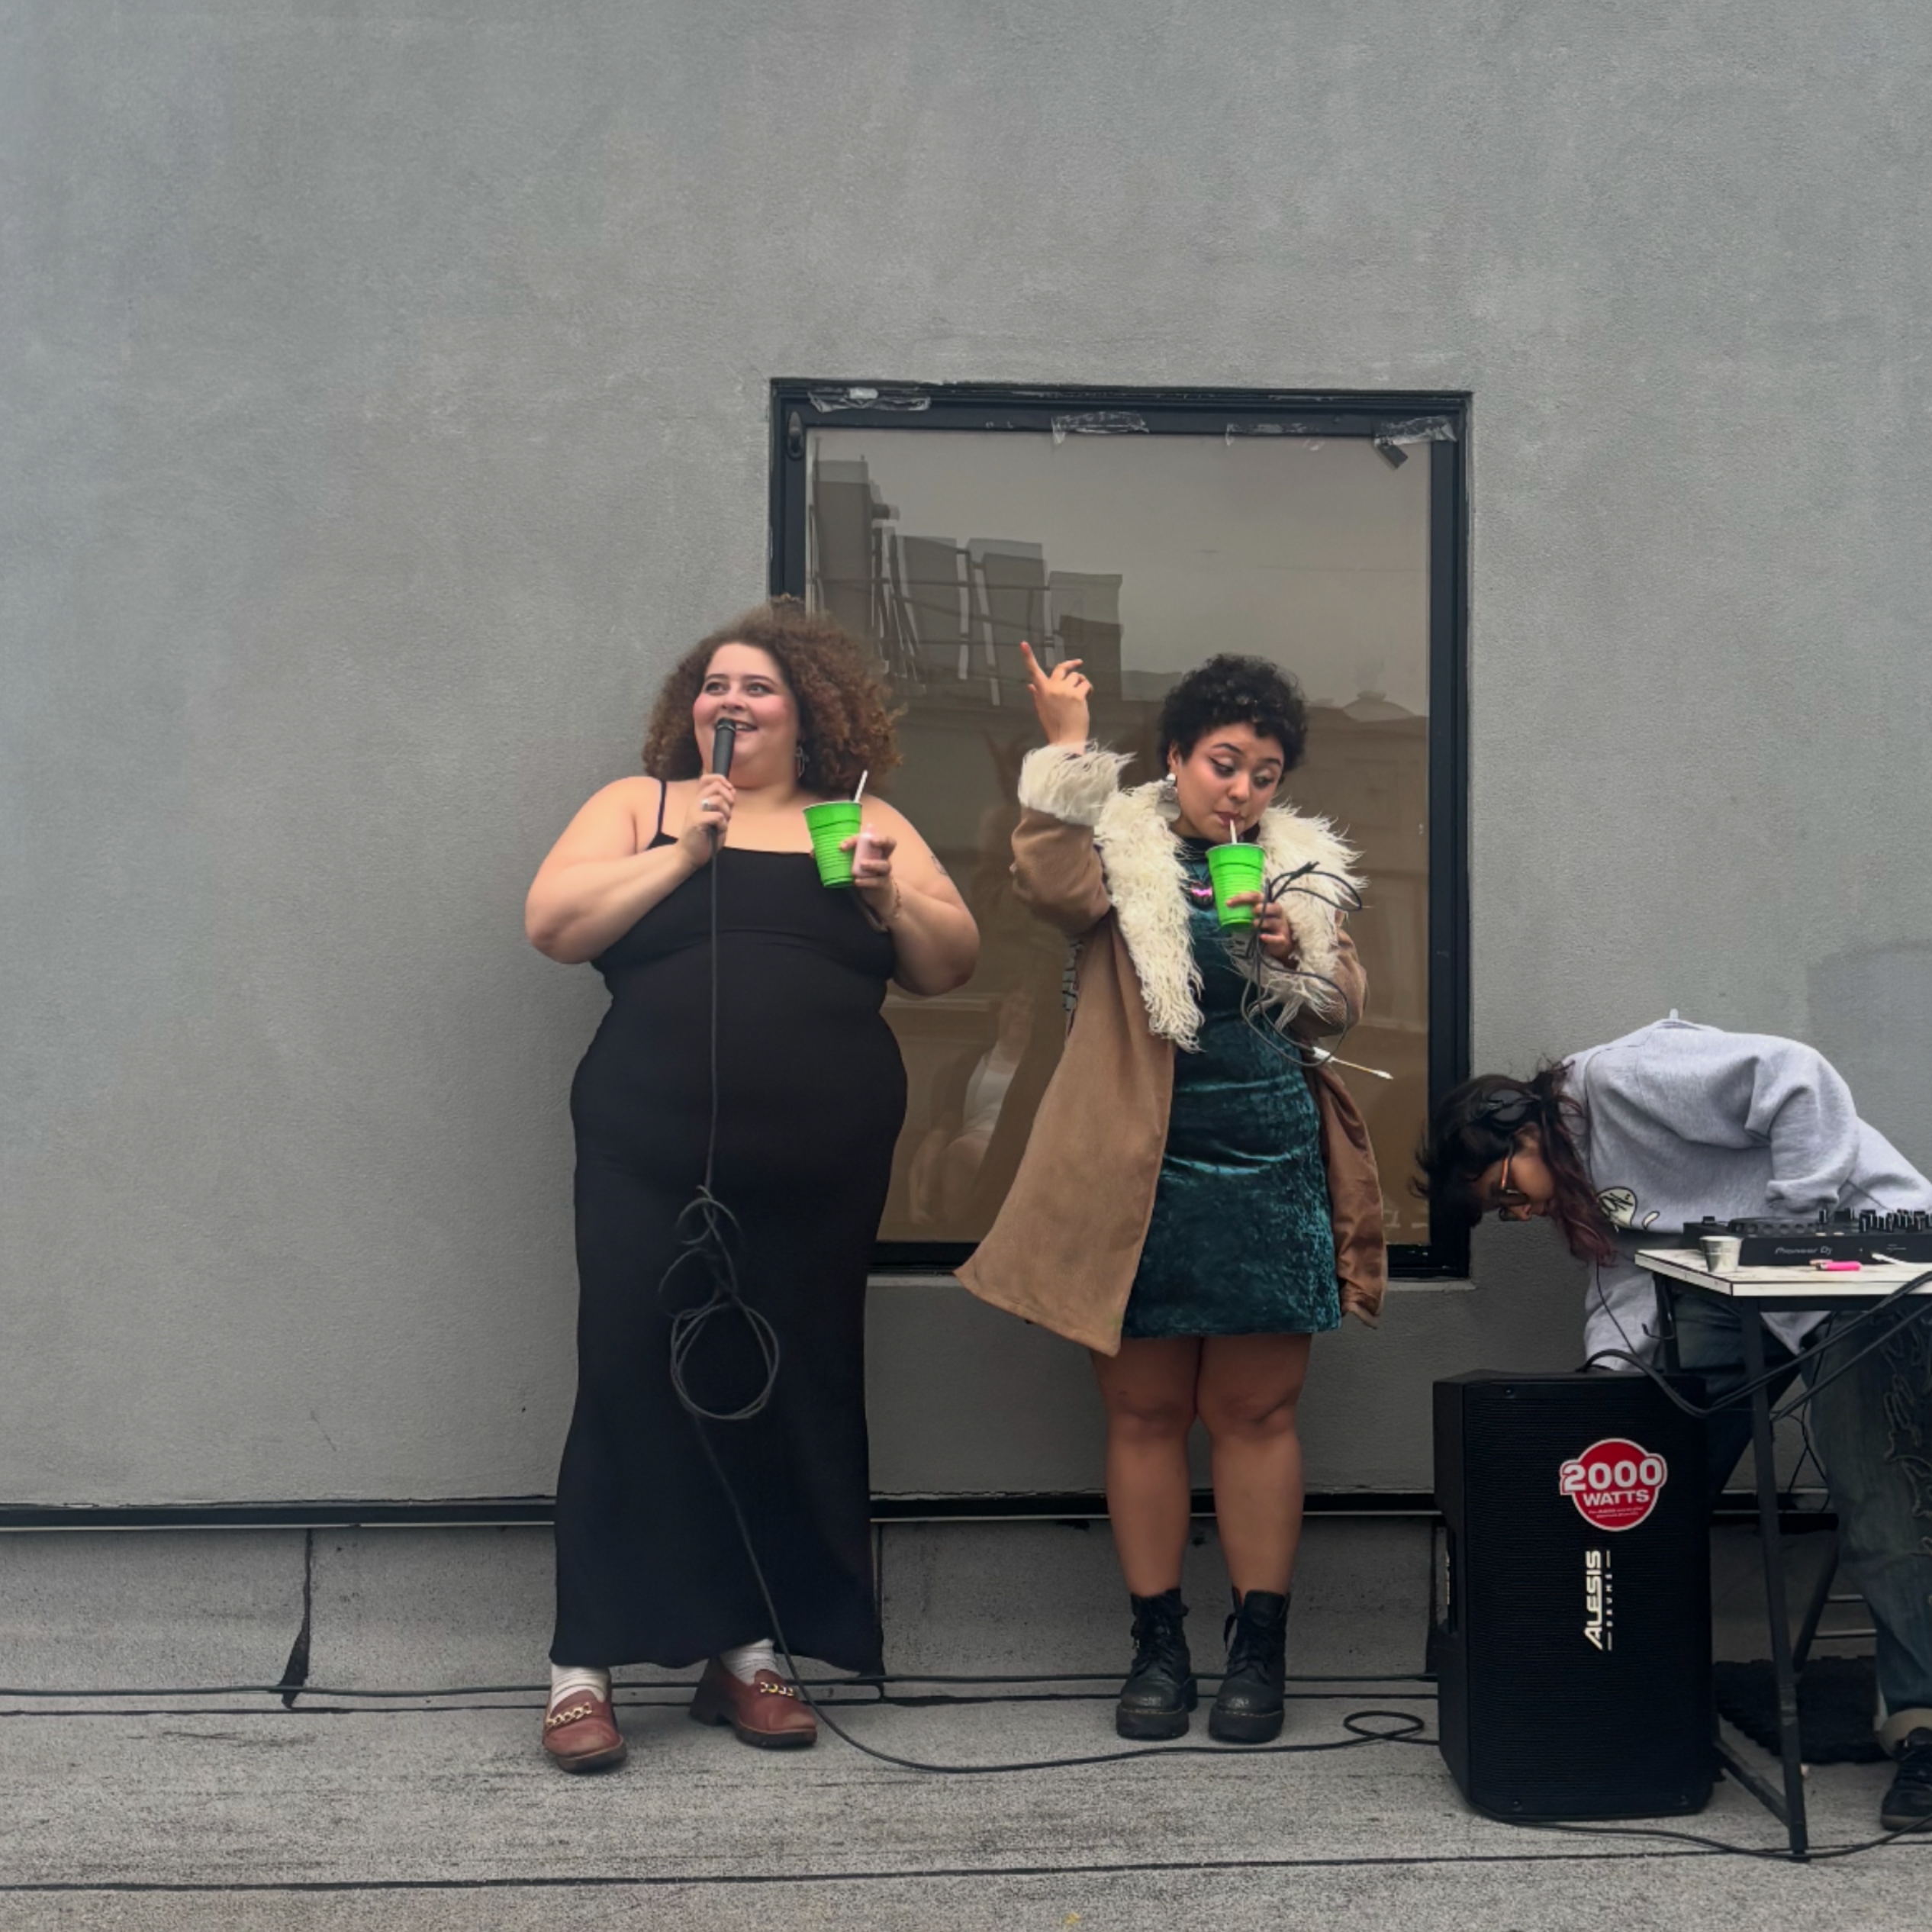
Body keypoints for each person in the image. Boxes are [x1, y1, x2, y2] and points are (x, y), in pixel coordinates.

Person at [523, 601, 978, 1770]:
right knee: (629, 1372)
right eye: (716, 687)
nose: (731, 703)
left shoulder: (862, 819)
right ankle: (583, 1668)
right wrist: (685, 853)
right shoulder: (644, 807)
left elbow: (949, 961)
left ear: (810, 712)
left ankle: (748, 1652)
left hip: (819, 1167)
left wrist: (884, 895)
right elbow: (553, 926)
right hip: (647, 1147)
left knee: (782, 1384)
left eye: (759, 688)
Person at [958, 644, 1386, 1744]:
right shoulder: (1119, 843)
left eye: (1264, 772)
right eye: (1223, 763)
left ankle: (1259, 1650)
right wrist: (1063, 753)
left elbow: (1344, 1009)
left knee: (1257, 1414)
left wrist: (1304, 954)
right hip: (1135, 1168)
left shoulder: (1301, 865)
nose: (1241, 789)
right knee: (1143, 1412)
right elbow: (1046, 885)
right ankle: (1157, 1647)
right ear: (1177, 758)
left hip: (1268, 1163)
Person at [1415, 1014, 1932, 1833]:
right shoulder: (1587, 1191)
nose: (1517, 1214)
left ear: (1518, 1129)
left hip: (1859, 1262)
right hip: (1738, 1287)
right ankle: (1640, 1689)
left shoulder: (1619, 1081)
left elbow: (1796, 1075)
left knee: (1881, 1502)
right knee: (1656, 1480)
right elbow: (1623, 1285)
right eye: (1500, 1211)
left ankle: (1922, 1726)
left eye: (1507, 1192)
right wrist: (1605, 1402)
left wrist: (1788, 1235)